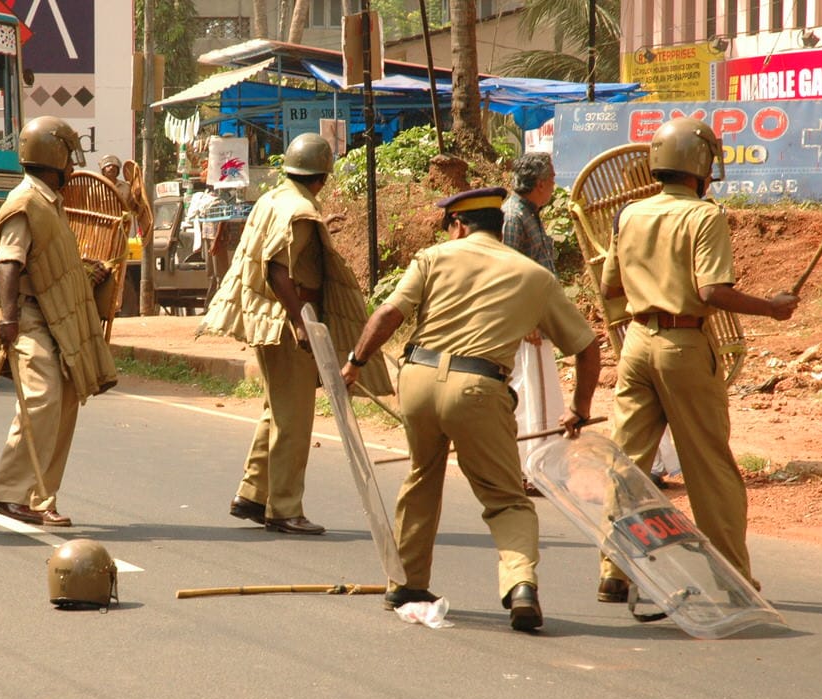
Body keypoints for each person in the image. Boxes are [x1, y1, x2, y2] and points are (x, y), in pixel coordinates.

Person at [342, 187, 600, 631]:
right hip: (480, 389)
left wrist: (355, 363)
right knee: (505, 499)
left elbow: (388, 314)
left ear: (458, 225)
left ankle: (405, 583)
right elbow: (586, 347)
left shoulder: (434, 258)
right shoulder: (534, 276)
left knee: (423, 476)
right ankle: (520, 585)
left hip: (418, 380)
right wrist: (577, 407)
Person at [598, 117, 799, 599]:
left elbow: (609, 287)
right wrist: (771, 309)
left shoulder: (628, 214)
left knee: (626, 462)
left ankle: (613, 569)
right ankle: (732, 580)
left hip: (636, 346)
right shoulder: (704, 216)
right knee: (710, 468)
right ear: (701, 164)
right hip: (684, 346)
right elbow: (711, 291)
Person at [200, 132, 390, 535]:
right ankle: (284, 508)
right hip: (289, 320)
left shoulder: (274, 198)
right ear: (321, 176)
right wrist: (301, 323)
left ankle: (253, 494)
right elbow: (276, 269)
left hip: (267, 318)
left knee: (277, 410)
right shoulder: (299, 210)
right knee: (295, 419)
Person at [0, 116, 118, 526]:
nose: (72, 169)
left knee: (66, 401)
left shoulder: (48, 202)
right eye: (69, 159)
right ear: (54, 157)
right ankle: (8, 494)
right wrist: (9, 319)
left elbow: (46, 259)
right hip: (30, 318)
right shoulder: (24, 203)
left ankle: (40, 499)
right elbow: (8, 262)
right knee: (41, 400)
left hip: (59, 321)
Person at [501, 151, 564, 495]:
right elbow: (509, 271)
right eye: (552, 179)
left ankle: (539, 466)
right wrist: (526, 321)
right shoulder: (513, 215)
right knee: (528, 396)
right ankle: (528, 469)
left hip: (540, 320)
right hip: (527, 327)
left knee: (541, 394)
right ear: (540, 184)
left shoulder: (530, 214)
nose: (554, 185)